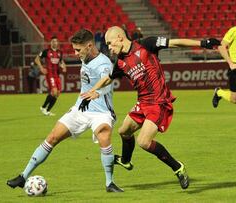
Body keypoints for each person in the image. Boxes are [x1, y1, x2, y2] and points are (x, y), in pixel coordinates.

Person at [80, 26, 220, 190]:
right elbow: (108, 78)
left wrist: (202, 43)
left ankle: (178, 168)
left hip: (158, 101)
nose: (109, 48)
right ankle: (126, 161)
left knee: (143, 142)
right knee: (124, 131)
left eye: (110, 43)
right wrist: (91, 91)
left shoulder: (146, 44)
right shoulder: (119, 61)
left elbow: (175, 43)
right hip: (143, 102)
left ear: (119, 37)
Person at [7, 29, 123, 192]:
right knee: (53, 136)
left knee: (104, 138)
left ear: (89, 46)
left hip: (101, 111)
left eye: (78, 50)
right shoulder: (86, 57)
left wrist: (97, 91)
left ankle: (109, 183)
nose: (75, 53)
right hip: (80, 108)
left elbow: (106, 80)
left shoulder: (103, 63)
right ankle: (23, 176)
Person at [35, 36, 66, 116]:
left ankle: (47, 110)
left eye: (56, 41)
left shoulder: (60, 52)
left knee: (57, 93)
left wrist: (63, 66)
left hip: (57, 75)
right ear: (51, 43)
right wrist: (41, 68)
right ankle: (43, 107)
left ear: (58, 43)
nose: (54, 43)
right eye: (53, 41)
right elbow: (37, 59)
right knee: (54, 91)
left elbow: (61, 62)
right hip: (50, 74)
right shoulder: (46, 51)